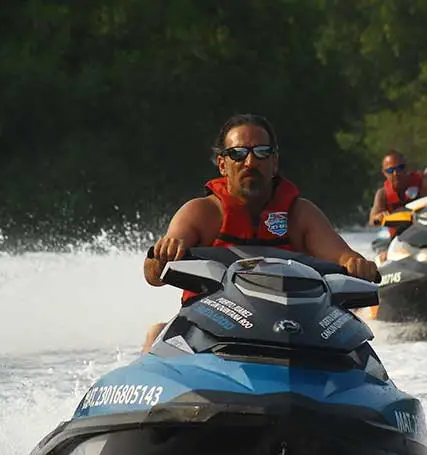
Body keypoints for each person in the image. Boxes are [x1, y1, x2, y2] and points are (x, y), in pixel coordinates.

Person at [141, 113, 380, 352]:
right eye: (238, 153)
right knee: (158, 333)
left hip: (295, 335)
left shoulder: (301, 215)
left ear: (274, 162)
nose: (250, 162)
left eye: (262, 152)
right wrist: (163, 255)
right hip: (211, 335)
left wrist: (356, 264)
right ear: (222, 165)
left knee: (358, 350)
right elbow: (153, 275)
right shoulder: (200, 213)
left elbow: (343, 256)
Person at [367, 149, 427, 226]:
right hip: (399, 232)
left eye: (400, 168)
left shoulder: (423, 184)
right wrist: (378, 218)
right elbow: (372, 221)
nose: (396, 173)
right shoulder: (382, 194)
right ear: (384, 173)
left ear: (406, 168)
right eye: (390, 170)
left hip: (424, 229)